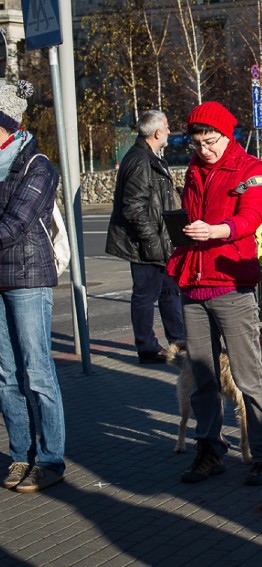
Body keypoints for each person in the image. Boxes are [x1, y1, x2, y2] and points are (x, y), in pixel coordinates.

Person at [166, 101, 262, 486]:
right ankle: (209, 450)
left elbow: (251, 216)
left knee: (249, 375)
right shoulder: (196, 168)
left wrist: (217, 231)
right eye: (197, 143)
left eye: (211, 141)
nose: (204, 150)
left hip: (231, 284)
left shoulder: (250, 168)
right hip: (194, 282)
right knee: (201, 376)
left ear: (228, 135)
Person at [0, 80, 67, 493]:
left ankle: (51, 458)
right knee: (5, 374)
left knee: (37, 370)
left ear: (8, 125)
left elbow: (15, 223)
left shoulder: (36, 164)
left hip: (27, 276)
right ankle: (20, 453)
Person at [106, 110, 185, 364]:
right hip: (146, 244)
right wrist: (152, 241)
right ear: (157, 132)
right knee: (145, 296)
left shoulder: (151, 157)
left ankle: (178, 342)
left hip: (161, 242)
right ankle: (147, 348)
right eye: (168, 127)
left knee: (170, 292)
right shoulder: (140, 160)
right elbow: (134, 207)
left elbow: (157, 197)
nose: (170, 132)